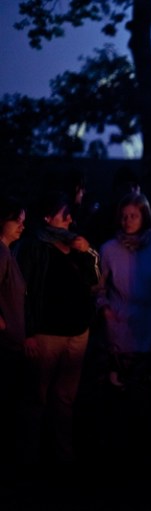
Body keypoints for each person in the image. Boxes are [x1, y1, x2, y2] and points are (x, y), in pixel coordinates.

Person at [13, 190, 100, 467]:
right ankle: (29, 459)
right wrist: (28, 332)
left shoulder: (75, 244)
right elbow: (22, 291)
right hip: (46, 333)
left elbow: (93, 280)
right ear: (48, 218)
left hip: (77, 332)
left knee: (65, 399)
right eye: (64, 215)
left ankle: (62, 458)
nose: (70, 220)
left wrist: (86, 253)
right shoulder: (33, 247)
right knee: (36, 398)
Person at [96, 192, 151, 387]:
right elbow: (98, 286)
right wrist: (105, 309)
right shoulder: (109, 249)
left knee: (146, 386)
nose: (128, 221)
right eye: (124, 216)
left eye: (133, 216)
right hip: (120, 325)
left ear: (144, 216)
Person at [0, 195, 27, 473]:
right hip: (5, 347)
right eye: (17, 220)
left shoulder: (8, 252)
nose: (22, 226)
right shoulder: (0, 253)